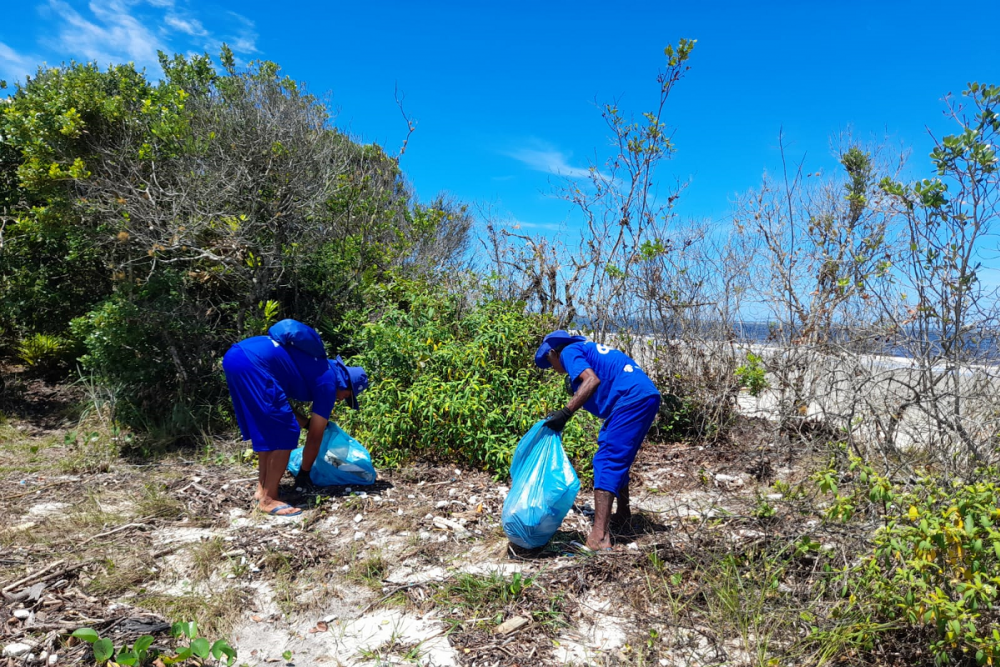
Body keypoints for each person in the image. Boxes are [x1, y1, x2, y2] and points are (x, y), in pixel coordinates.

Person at [222, 319, 368, 516]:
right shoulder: (328, 383)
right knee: (287, 431)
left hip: (237, 356)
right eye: (347, 397)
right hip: (253, 363)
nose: (342, 400)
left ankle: (262, 491)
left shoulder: (321, 367)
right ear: (346, 386)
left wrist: (306, 422)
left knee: (269, 430)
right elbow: (315, 436)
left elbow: (285, 409)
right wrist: (304, 474)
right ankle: (269, 499)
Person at [534, 330, 660, 551]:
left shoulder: (569, 352)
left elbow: (591, 381)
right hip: (642, 396)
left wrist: (564, 413)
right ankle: (622, 519)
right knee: (616, 459)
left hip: (631, 399)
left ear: (553, 352)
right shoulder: (585, 349)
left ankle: (599, 538)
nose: (553, 367)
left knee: (607, 461)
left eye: (549, 361)